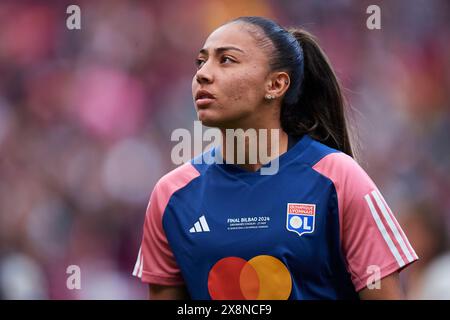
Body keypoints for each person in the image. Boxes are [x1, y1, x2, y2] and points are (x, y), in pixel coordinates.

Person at [132, 16, 418, 300]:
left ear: (276, 85)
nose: (203, 74)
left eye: (227, 60)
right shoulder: (171, 195)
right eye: (201, 62)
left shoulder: (340, 179)